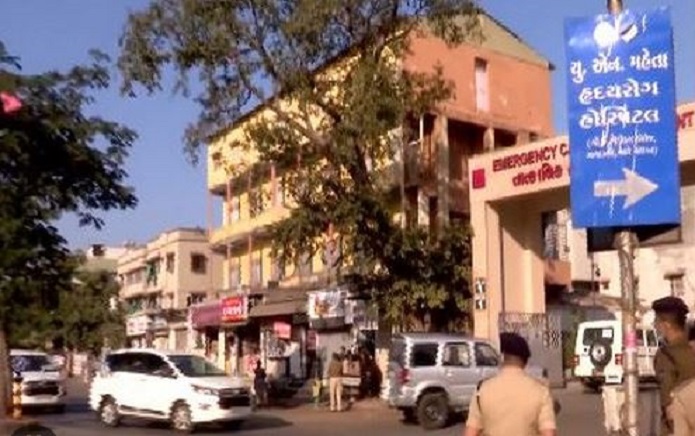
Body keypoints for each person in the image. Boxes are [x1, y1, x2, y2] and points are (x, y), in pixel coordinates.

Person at [464, 332, 556, 436]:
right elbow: (548, 433)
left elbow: (470, 433)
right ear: (525, 361)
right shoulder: (541, 391)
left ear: (502, 359)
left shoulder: (482, 390)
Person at [652, 296, 695, 436]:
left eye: (656, 320)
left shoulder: (666, 355)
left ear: (666, 324)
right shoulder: (691, 348)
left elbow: (669, 407)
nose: (654, 325)